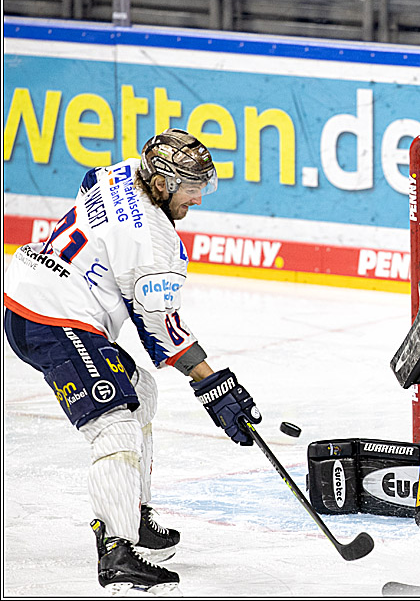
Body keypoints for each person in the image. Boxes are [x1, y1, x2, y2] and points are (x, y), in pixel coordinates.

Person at [3, 128, 263, 595]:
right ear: (162, 183)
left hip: (29, 291)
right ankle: (118, 551)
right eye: (190, 187)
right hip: (51, 315)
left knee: (140, 390)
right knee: (113, 424)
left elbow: (88, 184)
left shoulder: (121, 171)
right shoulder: (156, 244)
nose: (198, 198)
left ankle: (135, 515)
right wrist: (214, 384)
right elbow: (162, 333)